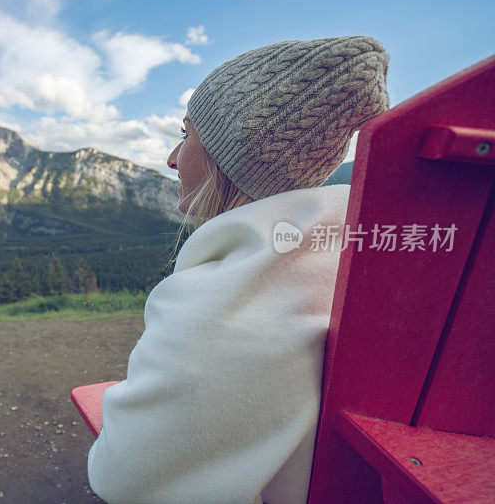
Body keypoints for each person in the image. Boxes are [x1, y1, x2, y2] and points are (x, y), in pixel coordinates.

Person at [86, 36, 390, 504]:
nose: (171, 158)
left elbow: (121, 481)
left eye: (186, 135)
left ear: (226, 160)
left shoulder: (210, 308)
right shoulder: (352, 264)